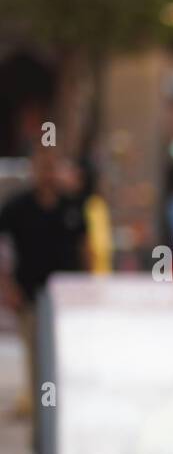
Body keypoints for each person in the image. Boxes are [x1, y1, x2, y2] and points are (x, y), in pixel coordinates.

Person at [0, 150, 87, 436]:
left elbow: (84, 250)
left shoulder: (71, 207)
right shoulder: (18, 208)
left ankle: (64, 428)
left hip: (66, 301)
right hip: (31, 298)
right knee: (39, 370)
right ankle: (43, 434)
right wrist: (7, 286)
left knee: (64, 366)